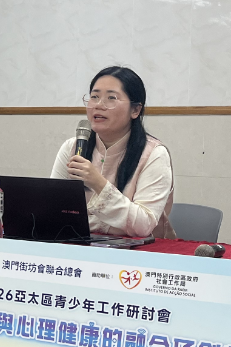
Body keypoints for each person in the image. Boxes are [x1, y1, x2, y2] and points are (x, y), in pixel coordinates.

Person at [51, 66, 176, 239]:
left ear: (135, 110)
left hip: (139, 251)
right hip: (80, 245)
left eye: (111, 98)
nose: (98, 105)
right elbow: (53, 209)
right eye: (94, 97)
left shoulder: (154, 154)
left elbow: (143, 226)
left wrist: (98, 183)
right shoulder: (72, 147)